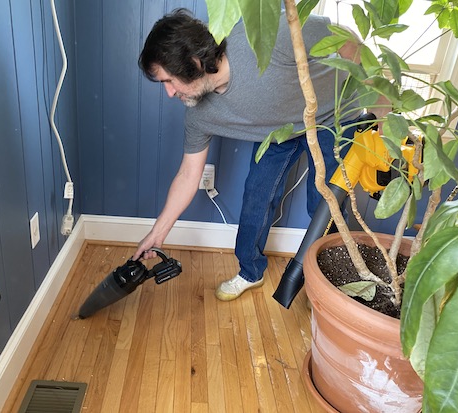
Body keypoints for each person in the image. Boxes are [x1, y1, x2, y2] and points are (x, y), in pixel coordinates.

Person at [132, 8, 361, 301]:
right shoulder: (199, 117)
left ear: (193, 63)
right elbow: (188, 174)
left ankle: (335, 288)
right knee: (257, 195)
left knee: (325, 206)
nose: (169, 93)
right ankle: (250, 272)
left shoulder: (262, 35)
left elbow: (348, 39)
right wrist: (158, 232)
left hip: (334, 117)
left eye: (169, 81)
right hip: (280, 131)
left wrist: (378, 105)